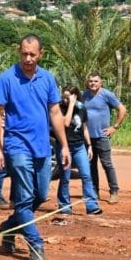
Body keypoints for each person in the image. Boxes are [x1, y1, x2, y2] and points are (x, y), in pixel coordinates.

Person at [0, 34, 70, 260]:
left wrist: (64, 146)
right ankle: (36, 244)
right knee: (24, 199)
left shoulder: (47, 78)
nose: (27, 58)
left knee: (41, 195)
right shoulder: (6, 79)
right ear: (19, 51)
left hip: (42, 147)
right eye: (24, 53)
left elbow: (55, 113)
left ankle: (8, 226)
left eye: (32, 54)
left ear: (40, 54)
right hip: (17, 146)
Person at [56, 85, 102, 215]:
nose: (65, 100)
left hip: (79, 146)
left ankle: (91, 205)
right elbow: (65, 123)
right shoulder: (59, 108)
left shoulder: (81, 108)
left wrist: (89, 146)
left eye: (68, 98)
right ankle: (64, 204)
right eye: (64, 97)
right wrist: (70, 105)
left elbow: (84, 127)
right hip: (65, 147)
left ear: (75, 96)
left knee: (86, 175)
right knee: (65, 177)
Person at [83, 72, 126, 204]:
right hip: (88, 138)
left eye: (96, 81)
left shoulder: (106, 94)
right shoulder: (84, 95)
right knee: (91, 165)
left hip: (102, 136)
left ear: (101, 83)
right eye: (90, 81)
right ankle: (94, 191)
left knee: (107, 164)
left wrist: (115, 127)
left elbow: (122, 109)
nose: (93, 83)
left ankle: (114, 191)